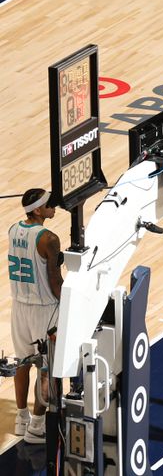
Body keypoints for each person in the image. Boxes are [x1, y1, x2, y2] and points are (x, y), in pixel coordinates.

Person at [8, 188, 62, 443]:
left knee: (22, 363)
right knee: (46, 368)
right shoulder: (49, 239)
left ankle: (21, 419)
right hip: (43, 308)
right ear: (38, 210)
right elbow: (54, 281)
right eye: (50, 204)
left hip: (19, 305)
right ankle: (36, 427)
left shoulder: (12, 229)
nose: (55, 207)